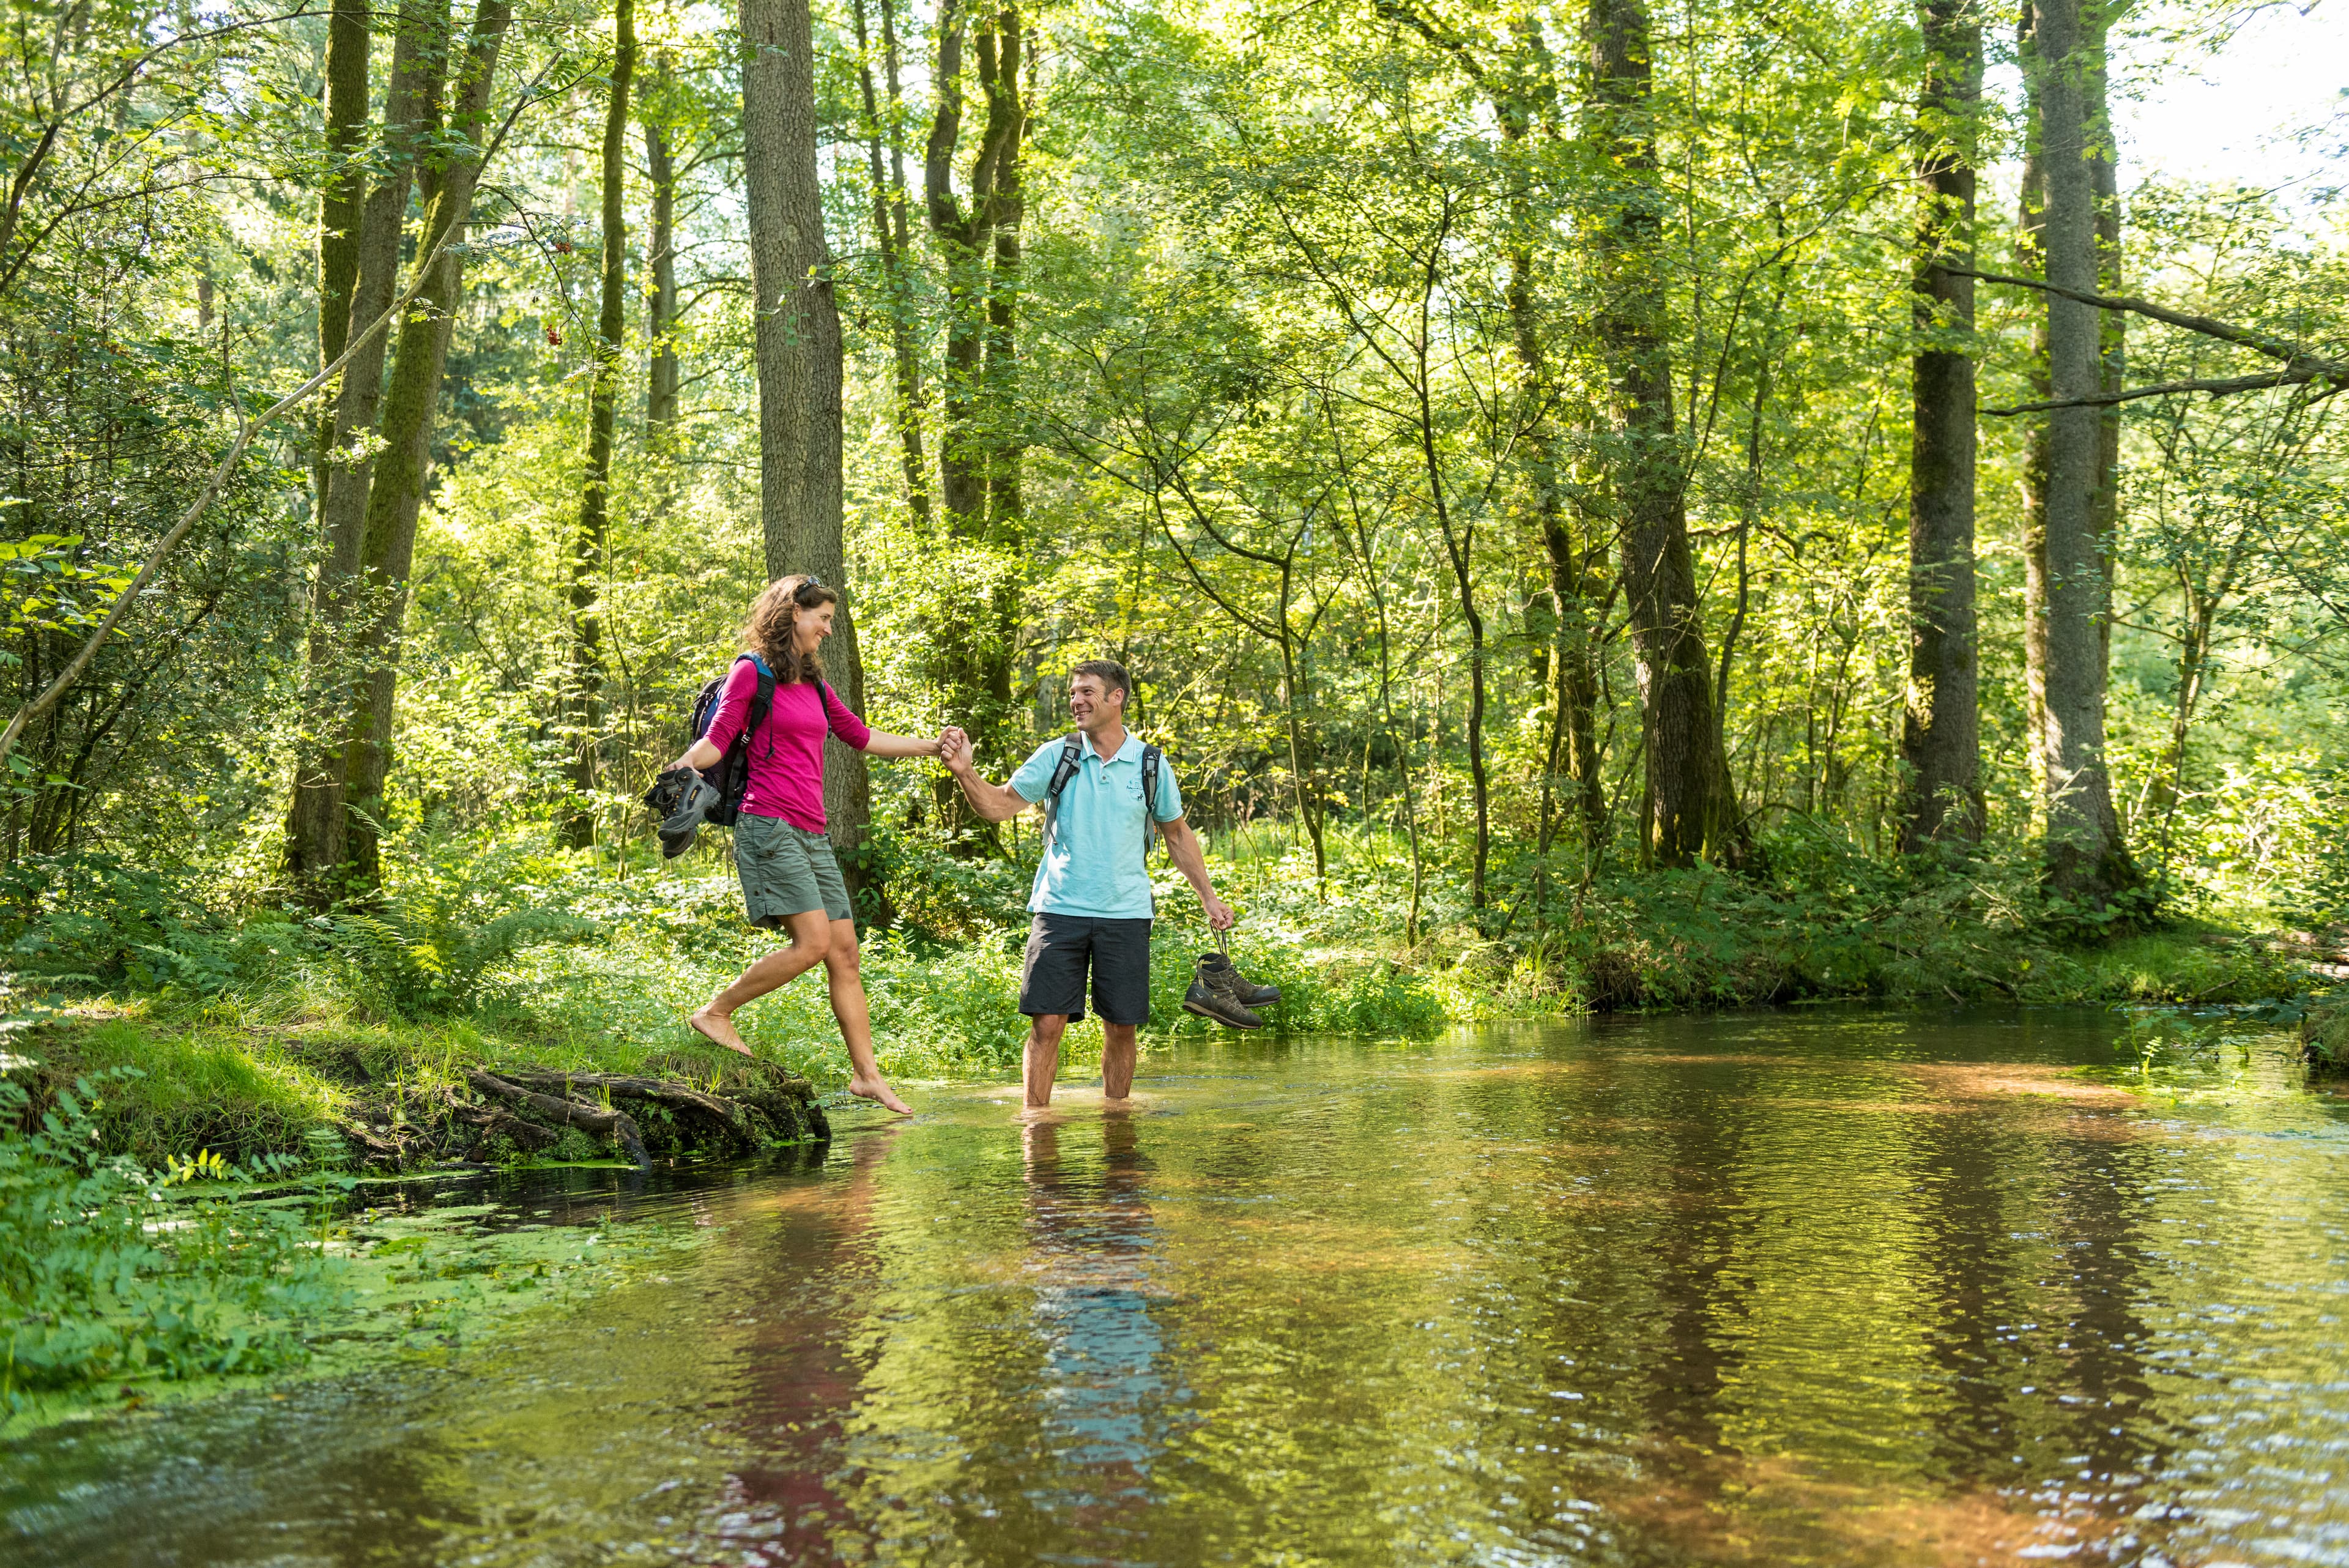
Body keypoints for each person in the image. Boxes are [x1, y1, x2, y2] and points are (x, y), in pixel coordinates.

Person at [667, 573, 937, 1115]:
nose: (829, 629)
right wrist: (679, 767)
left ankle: (868, 1077)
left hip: (813, 831)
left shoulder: (812, 683)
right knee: (813, 943)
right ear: (794, 613)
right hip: (768, 825)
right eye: (824, 618)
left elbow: (862, 737)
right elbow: (717, 741)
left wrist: (934, 746)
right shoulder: (752, 672)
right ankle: (715, 1012)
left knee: (845, 953)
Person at [940, 659, 1237, 1109]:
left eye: (1087, 692)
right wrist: (965, 771)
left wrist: (1208, 897)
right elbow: (998, 807)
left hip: (1126, 913)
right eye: (1073, 692)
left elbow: (1176, 834)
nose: (1076, 700)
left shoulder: (1150, 763)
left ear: (1116, 697)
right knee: (1046, 1024)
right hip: (1059, 909)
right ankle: (1035, 1126)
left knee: (1122, 1026)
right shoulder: (1058, 754)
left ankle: (1117, 1125)